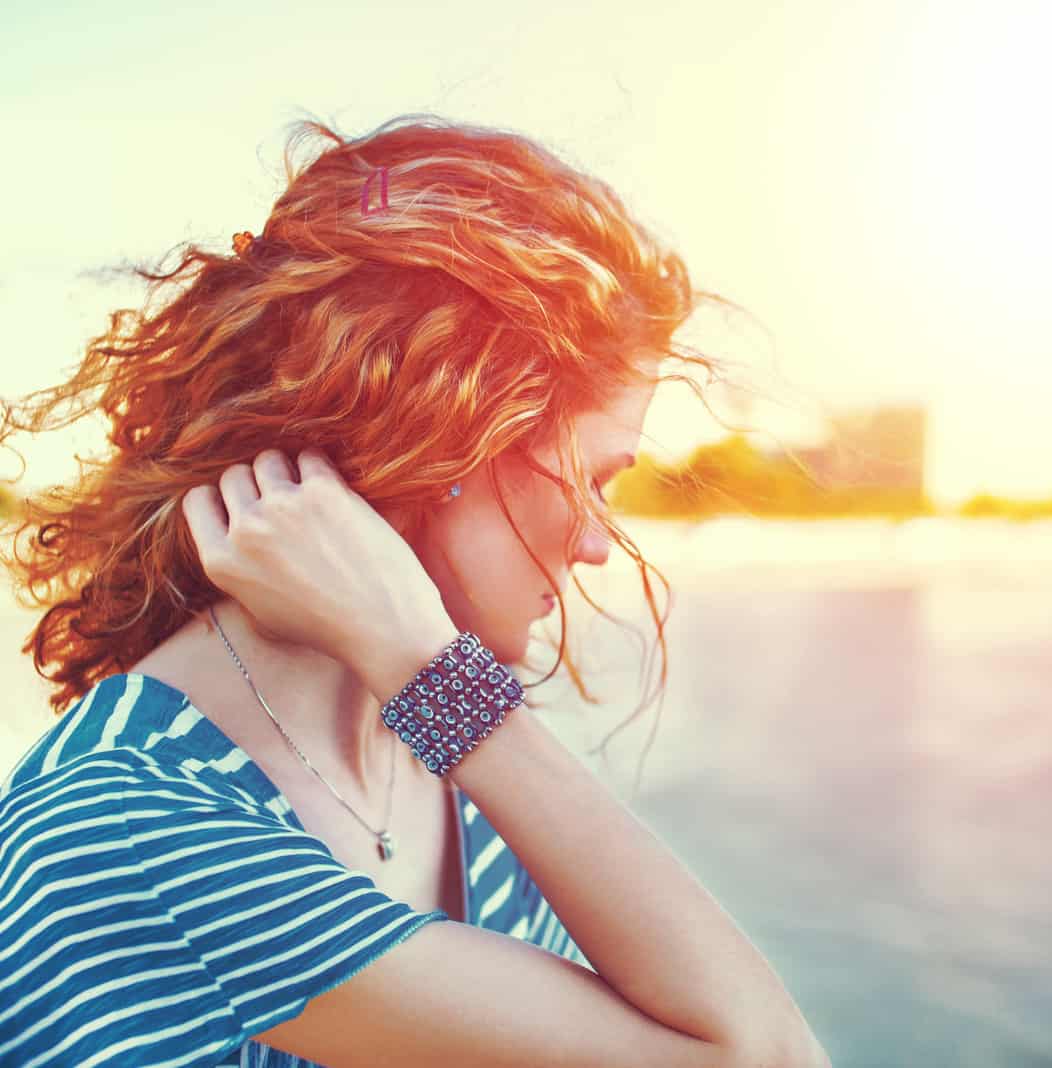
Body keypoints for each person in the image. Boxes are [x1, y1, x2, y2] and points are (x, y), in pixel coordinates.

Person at [0, 114, 829, 1067]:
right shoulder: (138, 818)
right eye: (594, 478)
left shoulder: (435, 755)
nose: (602, 541)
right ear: (441, 439)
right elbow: (765, 1056)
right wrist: (433, 669)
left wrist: (431, 684)